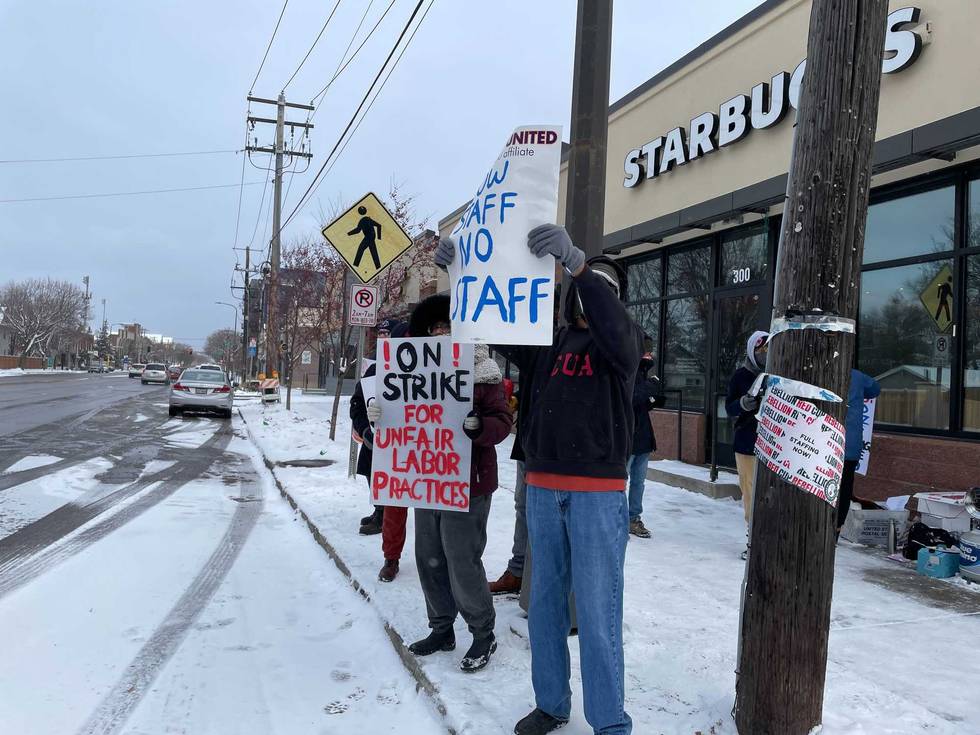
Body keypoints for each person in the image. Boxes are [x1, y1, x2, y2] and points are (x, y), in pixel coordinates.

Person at [436, 225, 642, 735]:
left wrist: (577, 263)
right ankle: (551, 704)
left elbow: (613, 322)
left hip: (597, 495)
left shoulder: (624, 343)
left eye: (603, 287)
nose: (593, 294)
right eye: (588, 285)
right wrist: (461, 273)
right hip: (543, 487)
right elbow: (495, 320)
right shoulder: (546, 341)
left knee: (597, 613)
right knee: (545, 608)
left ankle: (610, 721)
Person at [368, 294, 512, 672]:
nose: (441, 334)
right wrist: (379, 416)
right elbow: (401, 420)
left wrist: (479, 426)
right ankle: (441, 628)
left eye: (447, 327)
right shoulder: (411, 372)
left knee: (461, 560)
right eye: (435, 329)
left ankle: (483, 633)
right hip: (426, 480)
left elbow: (502, 422)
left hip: (469, 484)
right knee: (429, 558)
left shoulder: (484, 371)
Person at [350, 318, 397, 538]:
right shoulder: (373, 371)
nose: (384, 339)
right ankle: (379, 511)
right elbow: (357, 403)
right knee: (372, 472)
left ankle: (386, 516)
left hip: (400, 439)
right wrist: (365, 430)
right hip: (375, 438)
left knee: (394, 478)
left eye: (388, 335)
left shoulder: (411, 367)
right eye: (381, 335)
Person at [725, 330, 769, 560]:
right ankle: (754, 540)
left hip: (772, 446)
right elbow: (729, 407)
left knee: (770, 494)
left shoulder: (776, 376)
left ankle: (771, 538)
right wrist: (743, 404)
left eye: (768, 351)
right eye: (761, 351)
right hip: (747, 442)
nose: (765, 355)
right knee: (751, 493)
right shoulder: (741, 376)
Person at [626, 342, 665, 539]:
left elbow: (640, 403)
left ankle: (633, 517)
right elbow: (630, 399)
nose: (651, 354)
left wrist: (653, 398)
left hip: (643, 437)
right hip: (627, 437)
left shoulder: (642, 374)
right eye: (647, 350)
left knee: (638, 482)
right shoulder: (627, 370)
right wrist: (649, 388)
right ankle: (618, 517)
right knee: (621, 481)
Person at [838, 368, 881, 536]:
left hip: (824, 443)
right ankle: (837, 527)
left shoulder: (817, 373)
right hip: (850, 444)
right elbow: (875, 389)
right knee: (845, 487)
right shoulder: (856, 376)